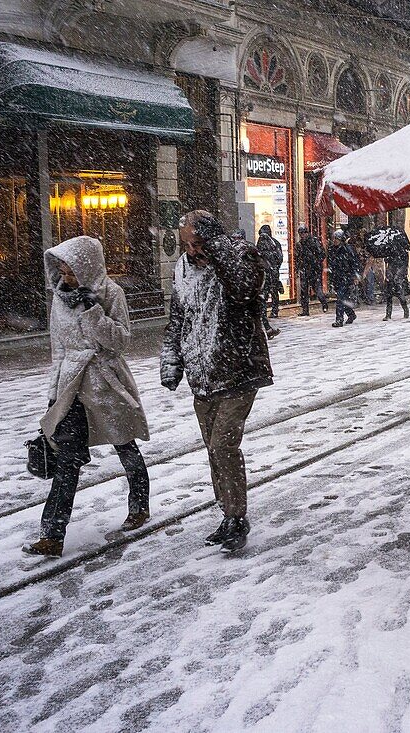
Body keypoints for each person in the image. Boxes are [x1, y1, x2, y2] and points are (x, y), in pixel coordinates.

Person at [23, 235, 151, 558]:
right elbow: (58, 351)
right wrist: (53, 395)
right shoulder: (58, 299)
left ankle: (139, 506)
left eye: (71, 271)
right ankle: (52, 534)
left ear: (87, 266)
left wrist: (92, 313)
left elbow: (120, 341)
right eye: (62, 271)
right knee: (68, 460)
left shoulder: (111, 293)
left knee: (125, 444)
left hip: (105, 383)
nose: (66, 278)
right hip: (71, 387)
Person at [161, 210, 274, 554]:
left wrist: (218, 251)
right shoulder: (184, 269)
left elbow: (243, 291)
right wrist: (172, 360)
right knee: (213, 449)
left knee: (224, 445)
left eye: (197, 243)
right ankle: (227, 514)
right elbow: (178, 318)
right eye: (186, 244)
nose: (191, 251)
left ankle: (237, 518)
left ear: (211, 238)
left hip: (239, 369)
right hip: (202, 374)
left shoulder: (241, 257)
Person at [233, 229, 279, 340]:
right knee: (257, 309)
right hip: (247, 288)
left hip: (244, 288)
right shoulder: (248, 248)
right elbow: (262, 265)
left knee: (257, 310)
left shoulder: (233, 250)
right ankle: (263, 331)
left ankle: (265, 330)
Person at [366, 225, 410, 321]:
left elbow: (404, 264)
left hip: (398, 272)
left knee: (399, 293)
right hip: (391, 271)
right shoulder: (390, 249)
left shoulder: (402, 252)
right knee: (389, 294)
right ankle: (388, 314)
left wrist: (399, 275)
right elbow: (388, 260)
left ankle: (405, 309)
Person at [327, 229, 360, 327]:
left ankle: (339, 320)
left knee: (340, 299)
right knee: (343, 299)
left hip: (346, 277)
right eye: (334, 238)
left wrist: (355, 276)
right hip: (337, 277)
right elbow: (331, 264)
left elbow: (355, 263)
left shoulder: (348, 249)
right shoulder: (332, 249)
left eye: (337, 239)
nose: (335, 240)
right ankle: (351, 314)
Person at [294, 225, 328, 315]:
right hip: (304, 269)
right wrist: (297, 268)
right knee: (304, 290)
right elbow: (297, 258)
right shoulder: (299, 244)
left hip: (314, 269)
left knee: (317, 289)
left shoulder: (314, 241)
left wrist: (316, 262)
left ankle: (324, 302)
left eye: (303, 233)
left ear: (307, 233)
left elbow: (322, 254)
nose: (302, 235)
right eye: (300, 233)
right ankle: (305, 310)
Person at [257, 224, 284, 318]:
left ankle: (267, 311)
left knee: (267, 291)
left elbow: (258, 256)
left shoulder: (263, 242)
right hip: (271, 270)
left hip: (268, 271)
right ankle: (273, 310)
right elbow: (280, 257)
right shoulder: (274, 243)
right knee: (272, 290)